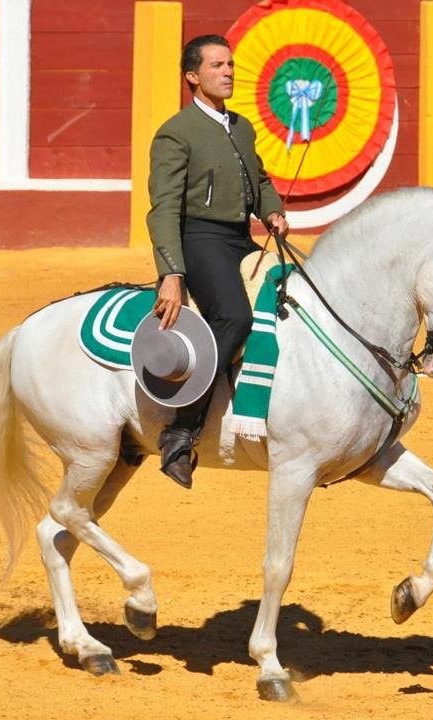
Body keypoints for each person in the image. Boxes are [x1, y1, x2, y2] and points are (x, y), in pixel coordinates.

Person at [146, 34, 289, 489]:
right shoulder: (176, 132)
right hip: (200, 239)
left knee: (290, 296)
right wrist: (172, 272)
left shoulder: (241, 126)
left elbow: (259, 180)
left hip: (240, 238)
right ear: (192, 76)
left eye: (230, 64)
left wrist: (272, 210)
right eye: (216, 65)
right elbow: (164, 207)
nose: (228, 72)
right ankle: (181, 431)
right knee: (233, 317)